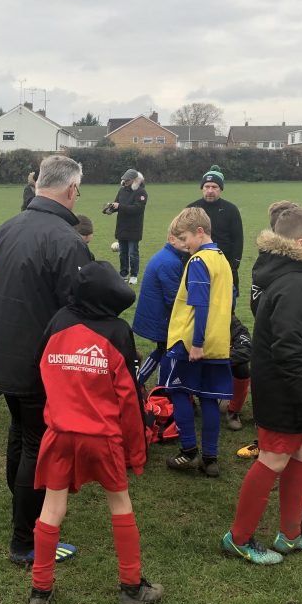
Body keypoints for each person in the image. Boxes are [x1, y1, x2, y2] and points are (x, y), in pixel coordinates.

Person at [28, 261, 163, 604]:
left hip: (58, 433)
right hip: (102, 438)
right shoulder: (118, 331)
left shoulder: (58, 321)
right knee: (119, 504)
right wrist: (138, 452)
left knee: (51, 508)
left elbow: (41, 369)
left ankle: (39, 591)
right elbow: (130, 401)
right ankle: (132, 587)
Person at [0, 155, 92, 564]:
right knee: (36, 443)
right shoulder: (67, 240)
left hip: (5, 355)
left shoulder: (8, 227)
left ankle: (22, 509)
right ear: (70, 190)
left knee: (20, 432)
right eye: (78, 191)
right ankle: (25, 539)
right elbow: (81, 306)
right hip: (38, 362)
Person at [221, 208, 302, 564]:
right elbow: (288, 348)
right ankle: (238, 538)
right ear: (301, 244)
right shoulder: (294, 285)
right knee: (273, 459)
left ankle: (289, 534)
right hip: (287, 392)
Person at [160, 208, 234, 478]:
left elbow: (200, 304)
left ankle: (189, 451)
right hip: (219, 341)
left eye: (185, 237)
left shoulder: (199, 261)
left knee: (179, 392)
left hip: (192, 342)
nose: (183, 244)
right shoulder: (222, 258)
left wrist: (197, 343)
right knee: (210, 400)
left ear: (200, 232)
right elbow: (230, 299)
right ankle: (210, 458)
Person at [132, 226, 187, 385]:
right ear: (171, 239)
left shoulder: (167, 256)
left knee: (162, 349)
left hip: (156, 316)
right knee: (167, 352)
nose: (186, 243)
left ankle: (138, 381)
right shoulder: (170, 262)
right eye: (182, 239)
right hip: (161, 318)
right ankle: (160, 389)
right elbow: (173, 298)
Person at [187, 166, 244, 294]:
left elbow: (238, 238)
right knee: (200, 301)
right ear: (202, 188)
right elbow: (184, 236)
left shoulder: (231, 210)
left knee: (227, 305)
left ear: (221, 189)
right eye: (207, 187)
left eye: (214, 187)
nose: (210, 190)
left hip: (225, 265)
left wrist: (234, 263)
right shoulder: (191, 209)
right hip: (198, 265)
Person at [105, 169, 148, 284]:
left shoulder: (141, 193)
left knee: (133, 253)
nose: (125, 181)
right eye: (124, 179)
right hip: (122, 227)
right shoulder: (122, 190)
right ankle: (123, 274)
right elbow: (117, 204)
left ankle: (134, 276)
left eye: (127, 180)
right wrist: (109, 209)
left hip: (134, 228)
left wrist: (120, 206)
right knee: (122, 253)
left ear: (135, 180)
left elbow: (138, 209)